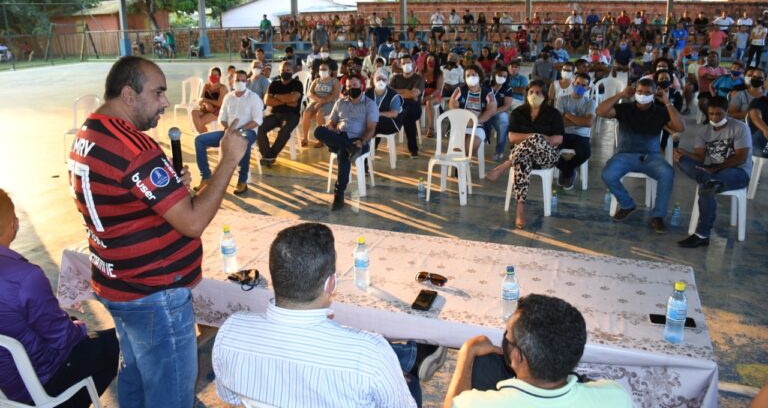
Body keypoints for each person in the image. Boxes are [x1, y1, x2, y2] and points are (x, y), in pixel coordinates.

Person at [68, 56, 249, 408]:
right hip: (153, 293)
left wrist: (171, 193)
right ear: (128, 95)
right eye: (159, 92)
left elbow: (120, 198)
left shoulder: (90, 133)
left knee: (135, 376)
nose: (166, 102)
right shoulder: (133, 147)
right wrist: (228, 160)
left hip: (119, 284)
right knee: (171, 395)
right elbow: (193, 222)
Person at [213, 223, 447, 407]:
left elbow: (230, 397)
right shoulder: (368, 352)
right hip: (373, 362)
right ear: (330, 283)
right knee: (409, 384)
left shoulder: (231, 330)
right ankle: (410, 362)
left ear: (275, 277)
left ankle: (408, 357)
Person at [0, 189, 119, 407]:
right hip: (40, 381)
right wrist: (80, 327)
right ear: (14, 224)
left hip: (7, 382)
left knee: (66, 319)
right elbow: (64, 339)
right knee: (123, 342)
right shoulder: (25, 277)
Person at [443, 294, 632, 408]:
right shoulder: (615, 396)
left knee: (484, 364)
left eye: (507, 334)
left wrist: (466, 353)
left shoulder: (476, 404)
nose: (504, 336)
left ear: (517, 356)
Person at [597, 78, 685, 233]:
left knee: (667, 173)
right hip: (625, 154)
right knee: (608, 174)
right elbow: (600, 111)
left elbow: (680, 127)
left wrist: (667, 102)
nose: (643, 95)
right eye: (639, 92)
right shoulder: (625, 108)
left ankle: (658, 215)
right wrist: (621, 94)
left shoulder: (660, 112)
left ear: (654, 94)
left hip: (651, 156)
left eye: (648, 93)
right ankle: (627, 204)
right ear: (634, 92)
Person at [674, 96, 752, 248]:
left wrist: (715, 168)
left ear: (727, 112)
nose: (715, 118)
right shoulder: (704, 131)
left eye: (719, 114)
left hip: (737, 172)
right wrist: (684, 153)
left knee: (708, 186)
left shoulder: (740, 127)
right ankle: (708, 180)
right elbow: (699, 157)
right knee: (682, 161)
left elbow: (741, 158)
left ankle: (702, 234)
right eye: (711, 114)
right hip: (713, 171)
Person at [486, 81, 564, 229]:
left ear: (545, 95)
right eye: (531, 92)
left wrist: (540, 139)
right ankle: (520, 208)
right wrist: (539, 137)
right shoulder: (518, 112)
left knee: (535, 139)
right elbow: (512, 138)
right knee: (524, 158)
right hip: (523, 155)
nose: (534, 95)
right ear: (526, 94)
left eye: (538, 92)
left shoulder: (553, 114)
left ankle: (505, 165)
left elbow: (558, 139)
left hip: (546, 156)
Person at [194, 70, 264, 196]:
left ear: (247, 82)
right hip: (228, 132)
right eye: (237, 80)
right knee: (199, 140)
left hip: (247, 132)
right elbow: (222, 118)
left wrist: (239, 130)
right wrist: (227, 129)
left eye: (243, 80)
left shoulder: (253, 98)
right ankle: (206, 177)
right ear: (232, 81)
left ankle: (242, 180)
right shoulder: (228, 97)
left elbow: (257, 120)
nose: (240, 83)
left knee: (243, 140)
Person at [314, 75, 378, 210]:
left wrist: (362, 141)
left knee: (343, 153)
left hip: (358, 140)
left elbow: (372, 128)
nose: (351, 88)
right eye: (349, 86)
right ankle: (350, 148)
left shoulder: (369, 104)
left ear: (362, 86)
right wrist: (330, 126)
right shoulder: (340, 102)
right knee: (319, 131)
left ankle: (339, 193)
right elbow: (332, 122)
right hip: (340, 136)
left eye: (354, 85)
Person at [257, 61, 304, 166]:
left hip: (291, 115)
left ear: (292, 71)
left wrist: (277, 96)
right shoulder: (274, 84)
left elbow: (294, 98)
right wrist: (287, 100)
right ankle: (268, 155)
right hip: (275, 114)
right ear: (279, 71)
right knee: (259, 127)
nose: (285, 72)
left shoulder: (297, 84)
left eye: (288, 70)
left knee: (285, 130)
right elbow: (267, 101)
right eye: (283, 70)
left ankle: (269, 156)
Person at [555, 72, 595, 190]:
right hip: (563, 133)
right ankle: (569, 171)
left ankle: (566, 171)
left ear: (588, 88)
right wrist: (580, 121)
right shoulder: (562, 99)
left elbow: (588, 123)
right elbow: (559, 122)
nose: (580, 87)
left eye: (583, 85)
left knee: (585, 153)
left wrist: (567, 115)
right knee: (550, 151)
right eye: (578, 83)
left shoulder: (590, 102)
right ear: (573, 83)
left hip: (581, 136)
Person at [449, 65, 497, 156]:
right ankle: (459, 167)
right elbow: (452, 105)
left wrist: (475, 121)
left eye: (474, 75)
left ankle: (464, 164)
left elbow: (491, 110)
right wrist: (463, 119)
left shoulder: (488, 93)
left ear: (479, 76)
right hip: (462, 123)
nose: (471, 77)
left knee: (470, 146)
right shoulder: (459, 90)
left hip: (480, 125)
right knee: (457, 147)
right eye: (468, 75)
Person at [390, 58, 425, 158]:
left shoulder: (418, 78)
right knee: (380, 115)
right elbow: (390, 92)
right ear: (400, 65)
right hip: (397, 105)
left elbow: (414, 93)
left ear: (413, 63)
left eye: (408, 62)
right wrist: (406, 91)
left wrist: (398, 92)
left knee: (408, 115)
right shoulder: (395, 78)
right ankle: (372, 148)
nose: (406, 65)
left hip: (413, 107)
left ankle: (413, 149)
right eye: (403, 63)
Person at [301, 61, 341, 147]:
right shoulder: (316, 81)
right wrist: (319, 100)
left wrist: (322, 102)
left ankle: (321, 140)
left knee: (320, 114)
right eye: (320, 69)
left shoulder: (335, 81)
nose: (322, 71)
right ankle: (305, 138)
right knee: (306, 113)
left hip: (329, 102)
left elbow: (334, 95)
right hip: (316, 101)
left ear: (330, 71)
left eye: (324, 69)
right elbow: (309, 93)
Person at [366, 68, 403, 146]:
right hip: (373, 121)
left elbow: (394, 114)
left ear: (387, 81)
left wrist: (378, 114)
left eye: (384, 79)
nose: (381, 81)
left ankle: (367, 148)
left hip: (392, 123)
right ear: (373, 80)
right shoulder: (368, 93)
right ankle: (367, 146)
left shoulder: (393, 95)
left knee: (374, 122)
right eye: (378, 78)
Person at [487, 65, 514, 161]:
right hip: (485, 111)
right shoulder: (487, 85)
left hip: (499, 112)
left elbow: (507, 105)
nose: (502, 78)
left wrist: (493, 112)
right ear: (494, 75)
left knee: (504, 123)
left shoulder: (507, 89)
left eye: (504, 76)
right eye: (500, 75)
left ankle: (499, 151)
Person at [191, 67, 227, 133]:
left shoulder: (222, 88)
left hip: (218, 111)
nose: (213, 77)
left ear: (219, 76)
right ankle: (203, 136)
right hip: (206, 109)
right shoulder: (206, 85)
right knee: (194, 112)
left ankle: (203, 137)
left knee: (200, 121)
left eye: (215, 75)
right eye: (211, 75)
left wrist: (206, 100)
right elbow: (200, 99)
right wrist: (206, 104)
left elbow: (219, 103)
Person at [422, 54, 444, 137]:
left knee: (429, 102)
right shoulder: (421, 72)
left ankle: (431, 127)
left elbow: (438, 89)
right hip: (423, 95)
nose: (430, 62)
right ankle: (412, 126)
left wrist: (428, 97)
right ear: (426, 62)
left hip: (435, 96)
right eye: (429, 60)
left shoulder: (439, 73)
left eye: (432, 60)